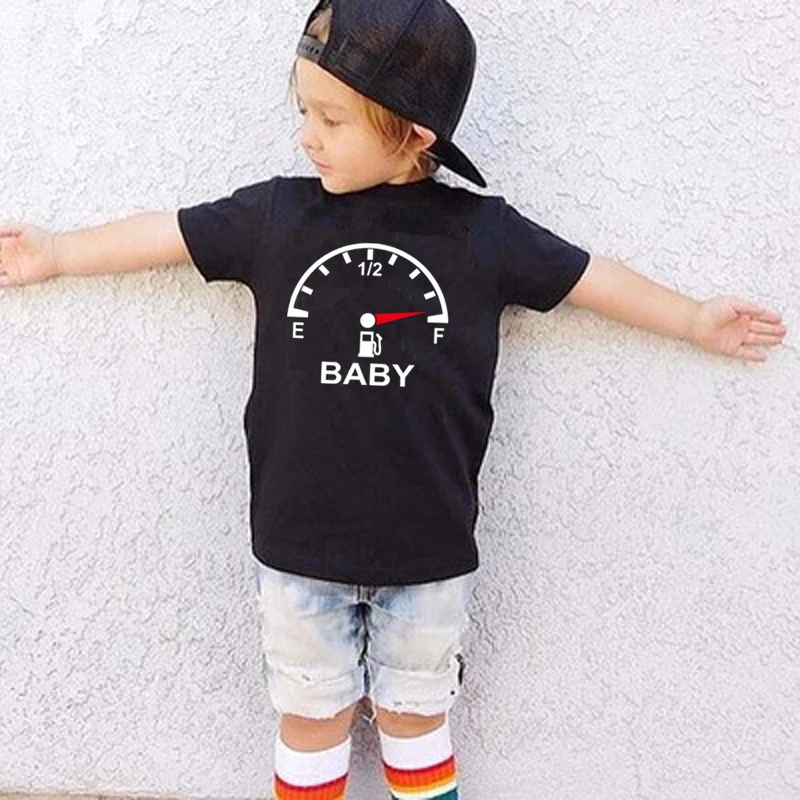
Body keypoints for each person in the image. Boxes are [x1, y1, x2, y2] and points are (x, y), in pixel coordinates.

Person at [0, 0, 787, 798]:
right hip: (299, 547)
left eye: (332, 119)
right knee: (311, 720)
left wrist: (693, 319)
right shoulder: (277, 216)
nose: (308, 136)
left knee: (416, 721)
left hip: (428, 553)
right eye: (304, 111)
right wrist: (57, 253)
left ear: (414, 134)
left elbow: (591, 280)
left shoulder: (483, 233)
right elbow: (166, 233)